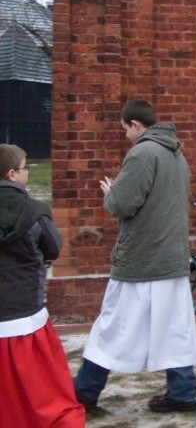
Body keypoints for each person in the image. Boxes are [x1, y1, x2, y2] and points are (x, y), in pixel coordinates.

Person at [73, 99, 196, 412]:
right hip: (171, 257)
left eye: (125, 130)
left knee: (112, 327)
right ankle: (184, 393)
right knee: (175, 329)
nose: (125, 136)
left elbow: (122, 205)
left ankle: (83, 394)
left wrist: (111, 192)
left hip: (142, 257)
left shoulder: (143, 152)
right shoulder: (176, 154)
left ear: (134, 124)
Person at [0, 145, 86, 427]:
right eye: (26, 168)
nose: (28, 173)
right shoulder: (35, 211)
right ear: (12, 174)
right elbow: (53, 247)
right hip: (27, 317)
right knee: (43, 391)